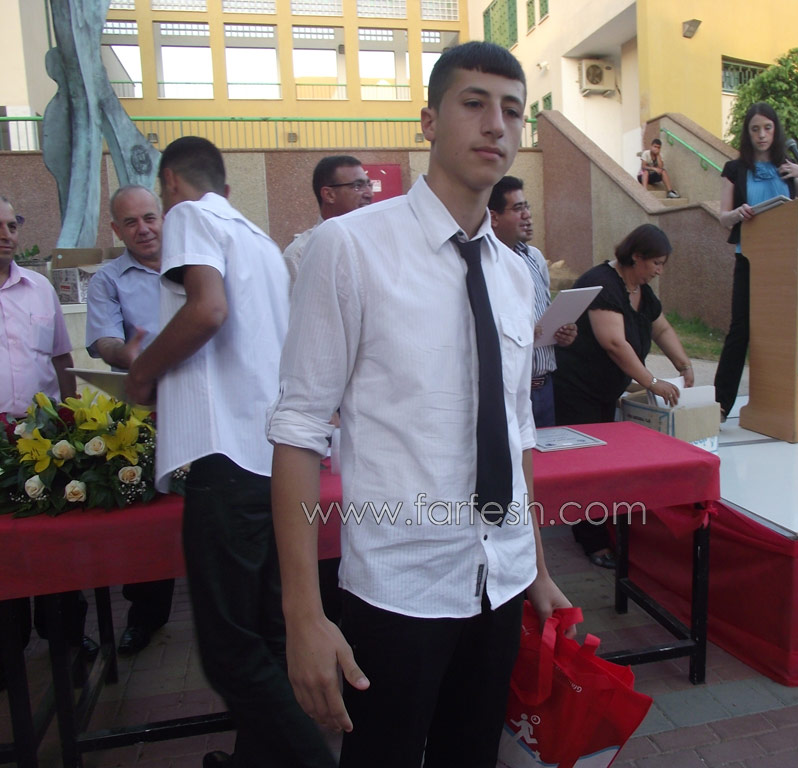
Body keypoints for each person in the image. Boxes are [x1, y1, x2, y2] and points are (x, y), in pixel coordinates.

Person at [268, 41, 572, 768]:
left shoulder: (513, 274)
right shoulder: (348, 249)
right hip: (398, 589)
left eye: (512, 110)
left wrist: (534, 567)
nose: (496, 124)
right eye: (475, 104)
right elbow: (299, 431)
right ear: (429, 121)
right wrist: (303, 615)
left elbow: (517, 428)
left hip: (499, 580)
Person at [125, 138, 335, 768]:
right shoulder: (259, 240)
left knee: (231, 652)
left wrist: (143, 372)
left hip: (226, 459)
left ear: (170, 182)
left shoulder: (191, 215)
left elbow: (208, 309)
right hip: (272, 461)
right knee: (267, 637)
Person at [0, 191, 95, 695]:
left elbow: (62, 359)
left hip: (45, 438)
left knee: (55, 543)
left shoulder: (39, 289)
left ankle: (68, 636)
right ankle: (1, 654)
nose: (7, 235)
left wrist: (73, 421)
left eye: (12, 225)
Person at [553, 224, 694, 568]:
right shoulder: (603, 283)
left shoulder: (640, 290)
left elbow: (660, 326)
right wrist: (651, 381)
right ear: (636, 257)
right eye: (656, 263)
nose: (659, 271)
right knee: (586, 466)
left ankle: (604, 527)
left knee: (604, 463)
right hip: (577, 388)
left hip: (604, 390)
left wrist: (683, 363)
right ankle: (593, 541)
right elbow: (614, 343)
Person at [85, 185, 174, 658]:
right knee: (148, 519)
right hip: (146, 413)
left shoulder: (195, 265)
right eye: (131, 222)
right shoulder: (108, 280)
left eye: (149, 218)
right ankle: (145, 617)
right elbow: (103, 341)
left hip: (210, 410)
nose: (143, 229)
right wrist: (128, 355)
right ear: (116, 230)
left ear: (163, 217)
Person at [714, 102, 798, 420]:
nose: (762, 135)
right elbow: (723, 217)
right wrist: (738, 213)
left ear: (776, 131)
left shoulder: (789, 168)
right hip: (749, 258)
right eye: (755, 129)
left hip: (785, 262)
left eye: (768, 128)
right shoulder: (734, 169)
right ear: (747, 134)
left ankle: (783, 403)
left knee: (783, 330)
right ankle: (720, 406)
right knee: (740, 330)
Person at [488, 175, 577, 427]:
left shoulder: (535, 258)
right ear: (493, 217)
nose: (527, 215)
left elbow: (543, 313)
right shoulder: (485, 262)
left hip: (544, 387)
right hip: (508, 391)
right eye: (518, 209)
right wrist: (521, 331)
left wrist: (562, 333)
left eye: (527, 206)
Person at [282, 155, 373, 286]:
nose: (369, 194)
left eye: (369, 185)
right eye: (357, 186)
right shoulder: (300, 254)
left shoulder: (377, 242)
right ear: (329, 195)